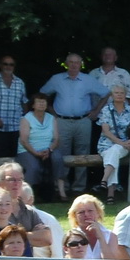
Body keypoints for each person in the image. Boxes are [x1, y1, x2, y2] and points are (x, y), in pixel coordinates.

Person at [40, 53, 107, 197]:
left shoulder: (88, 80)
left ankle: (79, 188)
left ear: (81, 64)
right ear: (66, 63)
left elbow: (106, 93)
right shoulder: (57, 79)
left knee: (83, 154)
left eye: (77, 62)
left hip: (83, 121)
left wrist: (96, 111)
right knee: (62, 154)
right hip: (61, 121)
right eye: (70, 62)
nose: (74, 65)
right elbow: (42, 94)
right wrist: (52, 111)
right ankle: (62, 186)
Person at [94, 84, 130, 202]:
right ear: (112, 95)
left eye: (122, 93)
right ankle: (110, 195)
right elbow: (106, 131)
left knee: (115, 152)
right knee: (114, 153)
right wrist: (121, 143)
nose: (119, 95)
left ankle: (104, 181)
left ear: (125, 95)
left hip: (127, 145)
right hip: (106, 144)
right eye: (116, 93)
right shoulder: (106, 110)